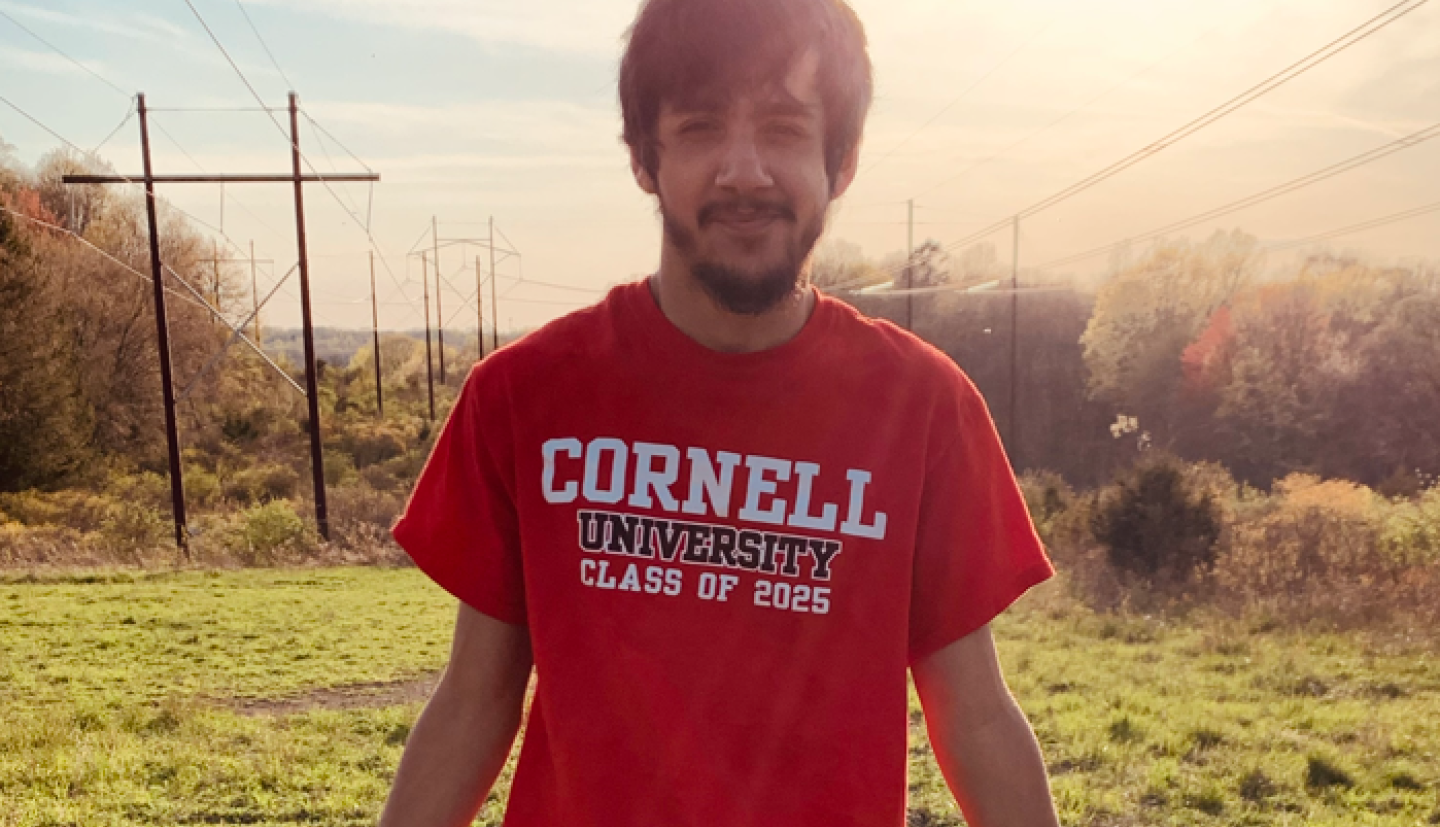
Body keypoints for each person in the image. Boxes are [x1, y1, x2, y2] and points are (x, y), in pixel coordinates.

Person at [380, 0, 1060, 824]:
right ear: (645, 159)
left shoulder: (924, 407)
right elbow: (472, 702)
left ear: (839, 163)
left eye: (782, 128)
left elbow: (977, 713)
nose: (744, 171)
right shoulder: (522, 397)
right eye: (701, 128)